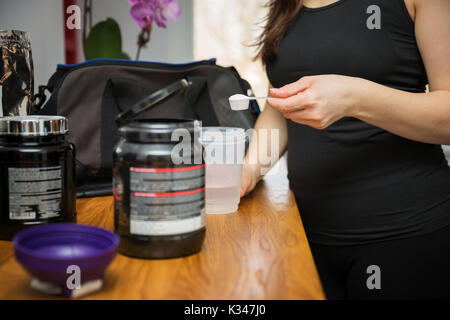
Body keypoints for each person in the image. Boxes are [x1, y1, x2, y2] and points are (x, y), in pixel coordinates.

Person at [241, 0, 450, 299]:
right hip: (304, 237)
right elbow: (282, 106)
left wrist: (355, 99)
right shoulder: (286, 4)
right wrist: (249, 168)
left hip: (406, 238)